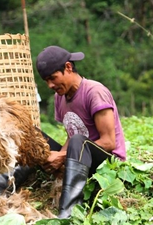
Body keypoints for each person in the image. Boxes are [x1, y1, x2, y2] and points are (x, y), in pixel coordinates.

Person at [35, 45, 126, 218]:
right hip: (79, 158)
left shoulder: (94, 92)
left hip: (108, 164)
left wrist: (62, 157)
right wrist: (57, 157)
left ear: (68, 67)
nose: (50, 85)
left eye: (53, 78)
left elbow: (109, 142)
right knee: (34, 137)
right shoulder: (59, 97)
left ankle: (68, 212)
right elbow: (72, 134)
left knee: (79, 140)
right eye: (46, 80)